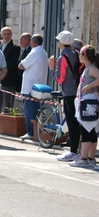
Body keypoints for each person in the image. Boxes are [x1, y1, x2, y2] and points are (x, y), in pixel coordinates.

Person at [48, 31, 80, 162]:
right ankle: (76, 149)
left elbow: (59, 79)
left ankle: (73, 151)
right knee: (75, 122)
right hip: (76, 90)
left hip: (68, 92)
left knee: (71, 122)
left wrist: (51, 68)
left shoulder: (63, 57)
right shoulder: (75, 53)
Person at [70, 45, 99, 168]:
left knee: (86, 130)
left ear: (85, 56)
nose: (79, 55)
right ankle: (90, 158)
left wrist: (90, 86)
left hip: (89, 103)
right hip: (86, 102)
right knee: (90, 131)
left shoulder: (91, 69)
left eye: (81, 53)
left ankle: (83, 158)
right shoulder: (87, 69)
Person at [18, 34, 48, 139]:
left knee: (30, 110)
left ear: (33, 42)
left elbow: (21, 65)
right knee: (36, 110)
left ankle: (30, 132)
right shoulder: (43, 52)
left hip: (30, 87)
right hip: (38, 85)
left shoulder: (34, 52)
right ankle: (35, 132)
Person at [0, 27, 20, 113]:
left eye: (8, 34)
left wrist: (0, 67)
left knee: (7, 104)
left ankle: (6, 124)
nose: (6, 36)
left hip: (8, 80)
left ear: (11, 35)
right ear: (1, 35)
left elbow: (12, 62)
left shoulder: (15, 47)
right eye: (4, 34)